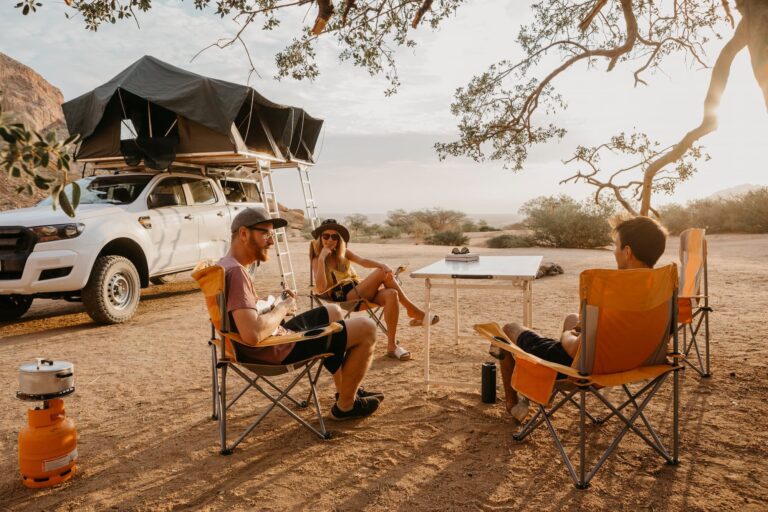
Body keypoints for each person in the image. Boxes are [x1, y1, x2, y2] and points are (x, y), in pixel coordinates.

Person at [494, 216, 668, 421]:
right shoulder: (662, 288)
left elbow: (574, 349)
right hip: (634, 362)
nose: (615, 252)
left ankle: (513, 404)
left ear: (627, 252)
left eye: (616, 246)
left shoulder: (609, 290)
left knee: (507, 330)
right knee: (572, 318)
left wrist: (566, 335)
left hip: (585, 369)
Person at [218, 207, 383, 421]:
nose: (271, 241)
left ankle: (345, 391)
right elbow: (252, 334)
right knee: (367, 328)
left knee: (333, 310)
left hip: (265, 343)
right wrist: (283, 307)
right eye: (266, 234)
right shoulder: (237, 273)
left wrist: (271, 304)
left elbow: (243, 317)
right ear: (243, 233)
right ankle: (346, 406)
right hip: (272, 351)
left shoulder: (224, 265)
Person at [310, 219, 438, 361]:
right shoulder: (317, 260)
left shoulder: (344, 253)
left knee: (392, 293)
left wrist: (381, 264)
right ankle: (413, 311)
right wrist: (322, 259)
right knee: (382, 273)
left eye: (334, 237)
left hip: (359, 290)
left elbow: (363, 262)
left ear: (339, 239)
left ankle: (392, 346)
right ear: (320, 238)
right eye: (326, 236)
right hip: (345, 297)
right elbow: (321, 288)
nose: (330, 240)